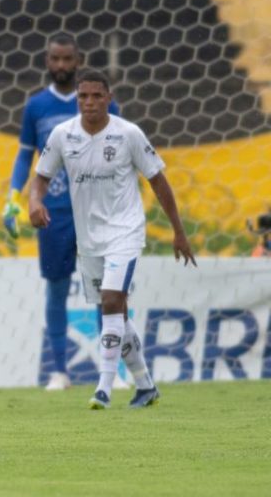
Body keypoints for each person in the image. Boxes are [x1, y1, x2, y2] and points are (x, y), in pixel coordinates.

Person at [28, 69, 196, 410]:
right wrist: (34, 201)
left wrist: (178, 231)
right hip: (88, 237)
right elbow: (41, 176)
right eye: (83, 96)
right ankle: (146, 385)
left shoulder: (128, 134)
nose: (89, 102)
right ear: (78, 100)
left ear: (109, 98)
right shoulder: (63, 135)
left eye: (96, 96)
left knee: (110, 300)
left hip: (126, 230)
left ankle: (103, 387)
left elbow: (158, 182)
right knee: (116, 308)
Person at [3, 33, 121, 391]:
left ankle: (110, 372)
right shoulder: (36, 106)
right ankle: (59, 371)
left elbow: (119, 153)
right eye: (55, 59)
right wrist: (13, 196)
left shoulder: (102, 105)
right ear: (47, 60)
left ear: (78, 59)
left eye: (67, 59)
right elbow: (26, 154)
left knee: (106, 291)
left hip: (97, 210)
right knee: (56, 288)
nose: (61, 66)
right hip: (53, 212)